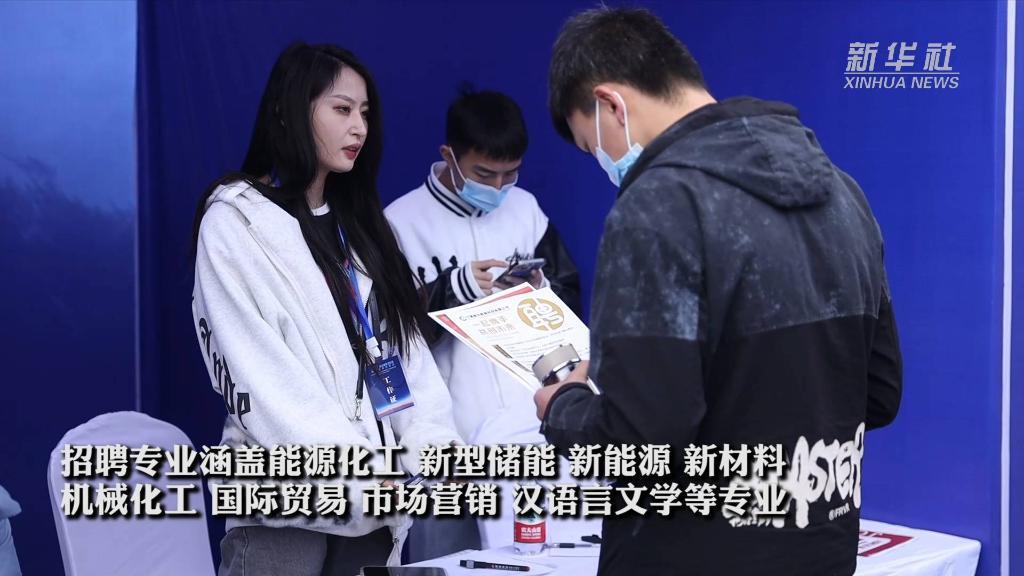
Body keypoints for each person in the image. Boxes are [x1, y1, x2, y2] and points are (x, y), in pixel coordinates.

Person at [534, 7, 902, 576]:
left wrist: (565, 407)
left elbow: (641, 446)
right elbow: (878, 393)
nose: (603, 163)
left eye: (592, 146)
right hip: (819, 546)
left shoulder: (658, 206)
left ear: (611, 105)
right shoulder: (843, 194)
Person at [191, 43, 460, 575]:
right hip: (285, 513)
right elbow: (260, 375)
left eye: (365, 112)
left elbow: (402, 357)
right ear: (291, 110)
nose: (359, 127)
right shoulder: (236, 222)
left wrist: (432, 451)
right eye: (341, 109)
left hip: (375, 515)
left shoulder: (362, 227)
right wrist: (358, 474)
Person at [385, 88, 581, 561]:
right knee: (446, 561)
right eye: (483, 174)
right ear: (449, 156)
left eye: (509, 173)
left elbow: (570, 300)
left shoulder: (526, 209)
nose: (497, 187)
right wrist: (453, 288)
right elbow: (386, 338)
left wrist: (540, 289)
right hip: (447, 438)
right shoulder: (399, 222)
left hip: (527, 428)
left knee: (545, 557)